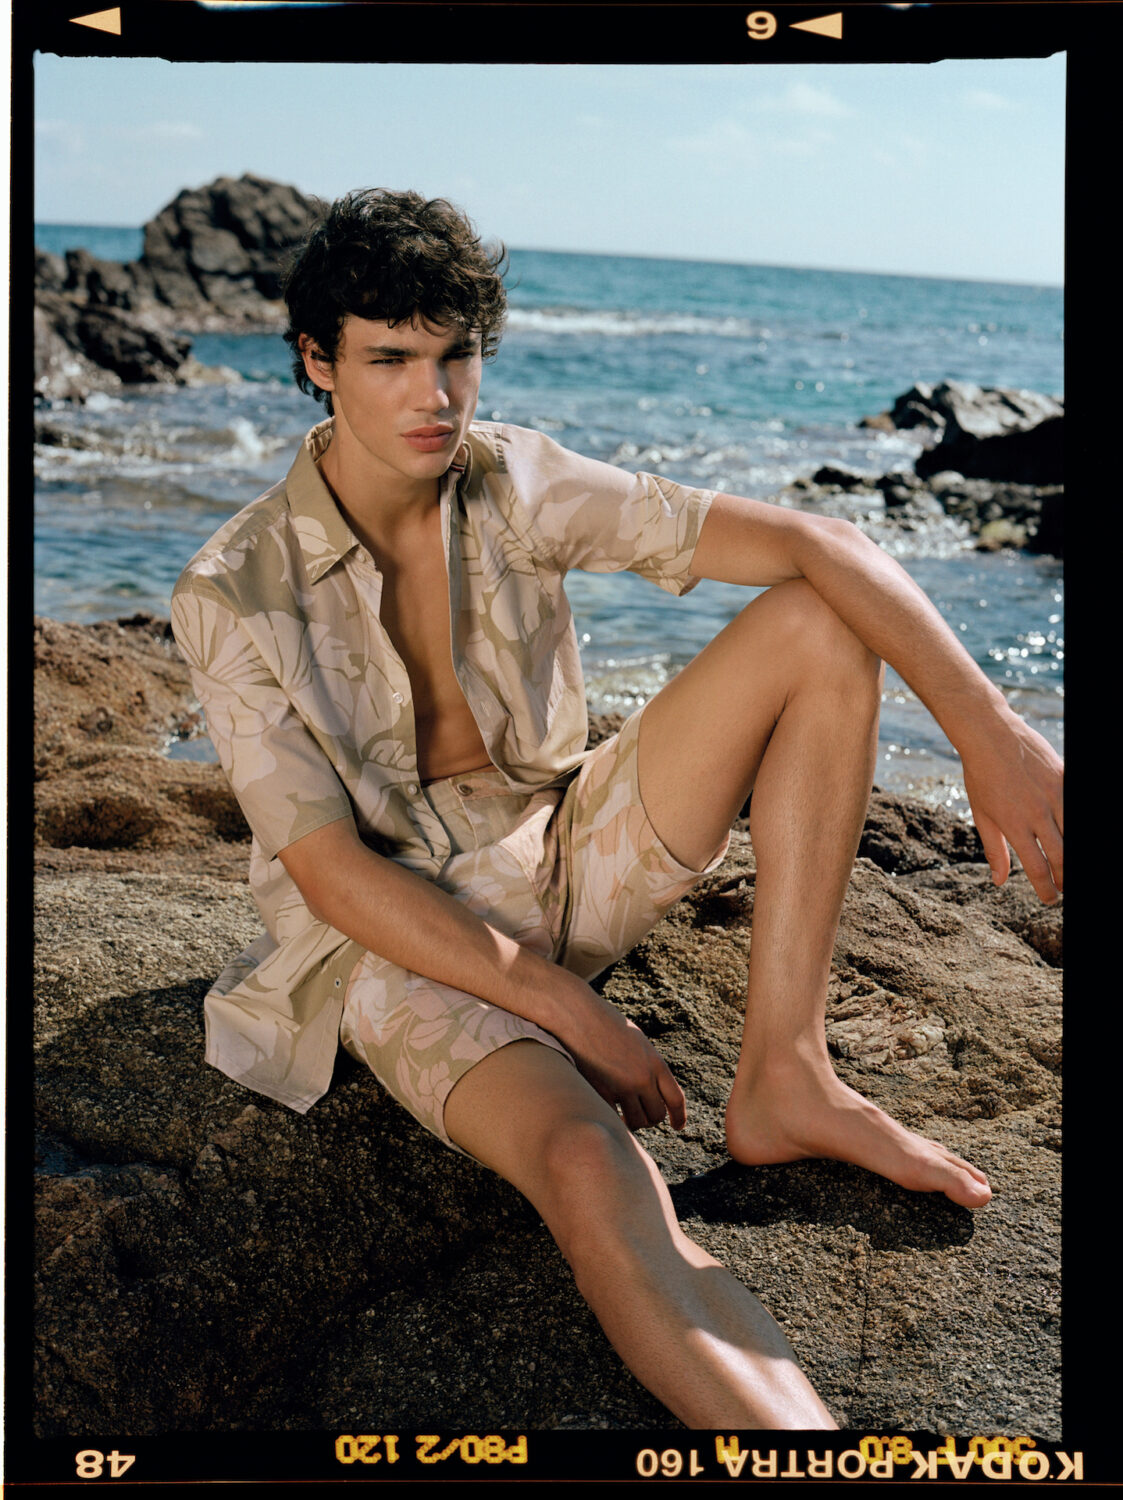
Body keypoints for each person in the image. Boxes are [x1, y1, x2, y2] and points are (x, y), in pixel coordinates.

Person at [170, 189, 1063, 1430]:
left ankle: (787, 1074)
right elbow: (330, 874)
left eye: (456, 356)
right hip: (395, 944)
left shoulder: (512, 480)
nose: (435, 397)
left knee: (817, 623)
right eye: (389, 359)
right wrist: (567, 1008)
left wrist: (992, 732)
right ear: (317, 362)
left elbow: (822, 543)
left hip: (560, 847)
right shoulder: (231, 587)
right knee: (592, 1161)